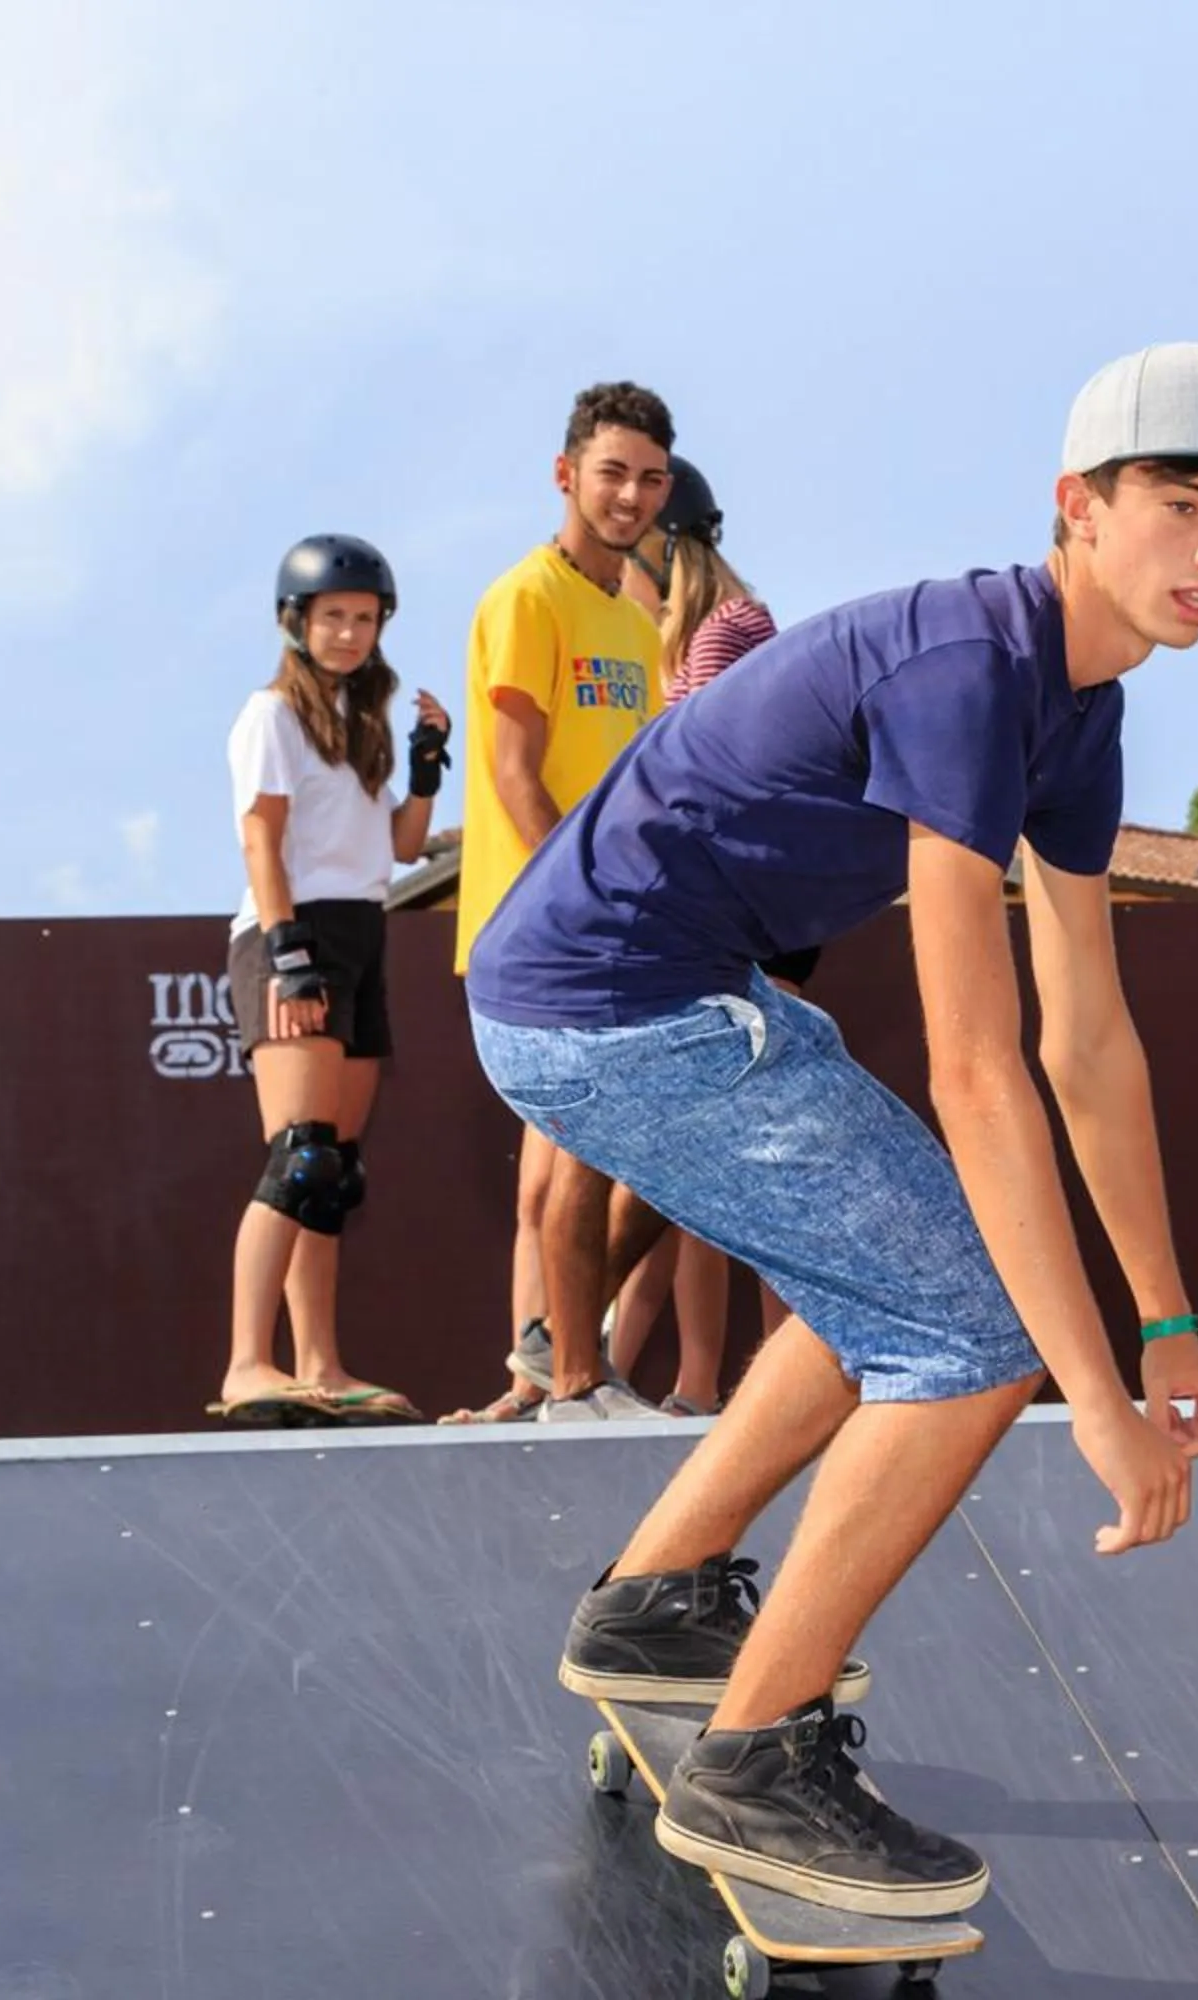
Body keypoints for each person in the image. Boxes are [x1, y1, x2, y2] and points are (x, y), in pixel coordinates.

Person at [466, 345, 1198, 1915]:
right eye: (1183, 503)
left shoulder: (1080, 710)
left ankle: (658, 1603)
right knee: (973, 1330)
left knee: (903, 1264)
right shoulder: (969, 673)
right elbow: (980, 1065)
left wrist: (1171, 1322)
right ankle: (755, 1760)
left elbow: (1090, 1042)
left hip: (660, 992)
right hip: (611, 1009)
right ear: (1079, 505)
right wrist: (1088, 1395)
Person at [444, 382, 677, 1424]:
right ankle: (570, 1376)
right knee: (576, 1159)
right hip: (544, 924)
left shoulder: (634, 613)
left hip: (614, 923)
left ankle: (541, 1375)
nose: (629, 494)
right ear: (565, 473)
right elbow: (510, 770)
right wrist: (574, 897)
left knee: (569, 1164)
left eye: (649, 478)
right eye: (611, 471)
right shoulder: (524, 597)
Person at [211, 535, 448, 1426]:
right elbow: (260, 843)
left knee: (333, 1173)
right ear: (296, 623)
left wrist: (423, 764)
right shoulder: (269, 714)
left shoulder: (358, 719)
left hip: (361, 931)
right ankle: (246, 1363)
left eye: (364, 618)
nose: (349, 633)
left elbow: (398, 845)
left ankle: (321, 1365)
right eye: (332, 618)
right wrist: (290, 951)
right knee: (298, 1154)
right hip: (293, 933)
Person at [606, 456, 795, 1416]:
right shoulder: (689, 640)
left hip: (739, 922)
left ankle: (771, 1383)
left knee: (757, 1164)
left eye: (628, 553)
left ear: (665, 547)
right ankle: (686, 1387)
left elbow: (726, 783)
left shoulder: (732, 628)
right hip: (708, 919)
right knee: (696, 1178)